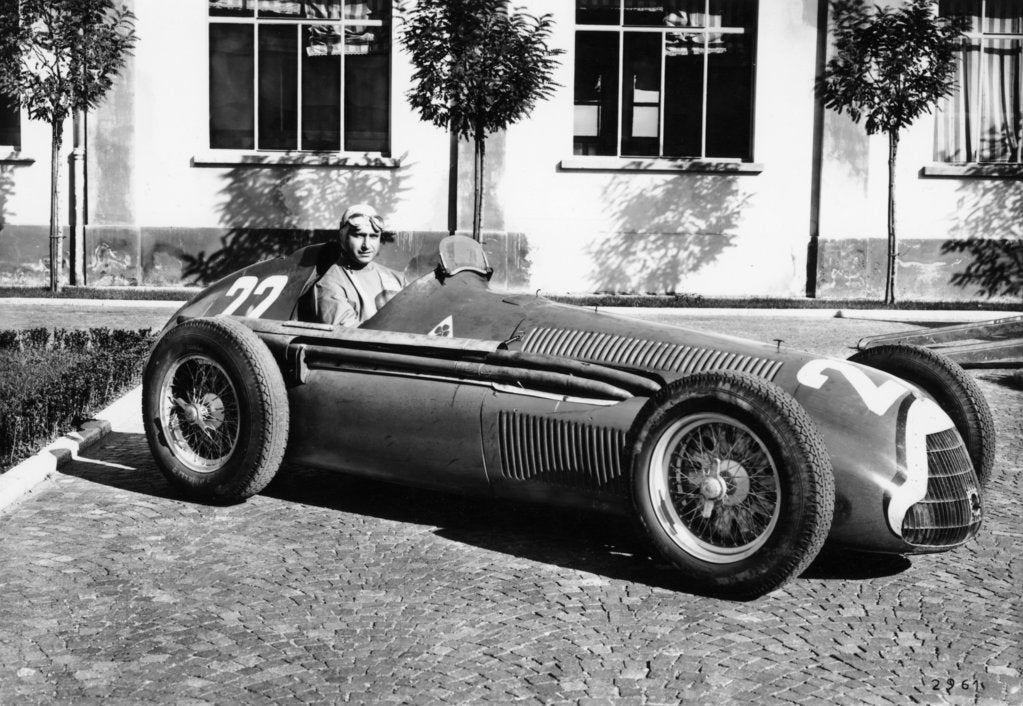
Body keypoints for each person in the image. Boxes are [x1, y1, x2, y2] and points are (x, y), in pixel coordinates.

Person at [309, 203, 405, 327]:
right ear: (343, 238)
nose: (366, 245)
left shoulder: (397, 278)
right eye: (359, 235)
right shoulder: (329, 285)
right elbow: (349, 337)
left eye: (373, 236)